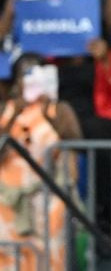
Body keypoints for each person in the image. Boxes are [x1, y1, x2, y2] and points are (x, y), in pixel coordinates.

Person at [0, 53, 82, 271]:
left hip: (47, 198)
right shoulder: (6, 109)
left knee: (49, 262)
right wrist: (12, 116)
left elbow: (77, 144)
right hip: (7, 199)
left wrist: (52, 119)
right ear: (16, 81)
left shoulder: (59, 109)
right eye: (25, 75)